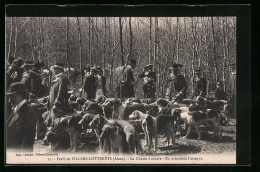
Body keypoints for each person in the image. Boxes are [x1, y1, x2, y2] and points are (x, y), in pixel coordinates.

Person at [6, 82, 37, 152]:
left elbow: (28, 142)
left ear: (19, 95)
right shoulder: (16, 110)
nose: (9, 99)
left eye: (11, 96)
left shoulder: (28, 113)